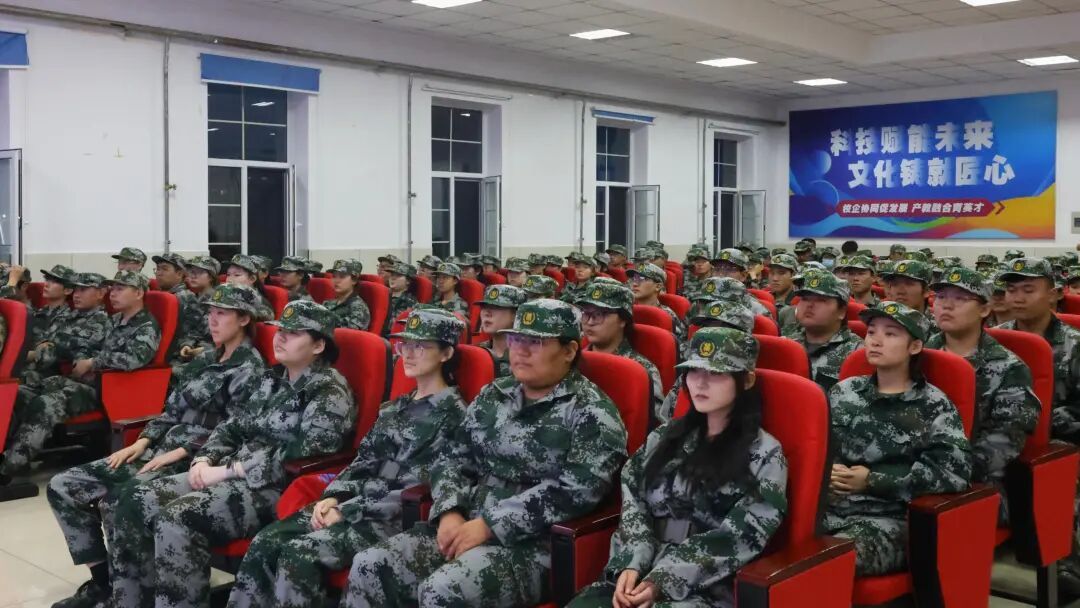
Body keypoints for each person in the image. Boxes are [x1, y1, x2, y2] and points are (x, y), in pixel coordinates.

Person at [344, 299, 628, 607]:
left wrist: (491, 524)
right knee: (370, 564)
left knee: (442, 590)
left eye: (535, 342)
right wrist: (450, 510)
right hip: (466, 522)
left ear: (569, 351)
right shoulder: (495, 394)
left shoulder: (591, 411)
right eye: (516, 339)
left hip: (531, 545)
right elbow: (453, 458)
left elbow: (578, 491)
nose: (520, 351)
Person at [112, 301, 355, 608]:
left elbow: (305, 453)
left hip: (273, 486)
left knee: (177, 517)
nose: (280, 337)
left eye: (293, 333)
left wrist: (230, 470)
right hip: (230, 471)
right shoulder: (273, 378)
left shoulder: (329, 391)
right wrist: (205, 458)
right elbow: (234, 425)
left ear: (318, 345)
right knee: (135, 498)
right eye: (280, 330)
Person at [227, 307, 467, 608]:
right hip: (354, 503)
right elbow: (363, 460)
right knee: (266, 542)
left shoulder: (455, 417)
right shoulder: (397, 407)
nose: (408, 353)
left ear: (446, 353)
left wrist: (348, 509)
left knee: (298, 554)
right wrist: (334, 496)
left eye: (420, 346)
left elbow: (418, 486)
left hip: (387, 518)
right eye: (405, 344)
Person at [46, 284, 267, 608]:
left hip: (194, 460)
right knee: (63, 486)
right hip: (158, 449)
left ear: (244, 319)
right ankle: (104, 581)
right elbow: (171, 410)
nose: (212, 320)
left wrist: (183, 451)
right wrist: (143, 441)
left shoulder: (250, 368)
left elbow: (234, 431)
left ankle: (131, 594)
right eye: (210, 312)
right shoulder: (206, 358)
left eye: (222, 313)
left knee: (121, 501)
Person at [568, 327, 787, 607]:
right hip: (640, 569)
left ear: (746, 380)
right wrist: (631, 562)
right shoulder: (665, 437)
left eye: (716, 373)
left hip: (705, 588)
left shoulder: (765, 454)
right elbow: (634, 499)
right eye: (694, 371)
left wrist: (663, 579)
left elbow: (739, 537)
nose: (700, 383)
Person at [824, 301, 972, 576]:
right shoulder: (844, 391)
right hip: (829, 510)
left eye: (890, 334)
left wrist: (872, 481)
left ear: (914, 347)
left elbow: (953, 474)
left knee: (822, 566)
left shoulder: (933, 405)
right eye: (871, 332)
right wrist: (827, 475)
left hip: (887, 520)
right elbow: (817, 450)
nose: (876, 341)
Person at [0, 271, 160, 486]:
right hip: (83, 381)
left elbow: (133, 359)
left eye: (120, 289)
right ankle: (7, 450)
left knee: (47, 403)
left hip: (108, 391)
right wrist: (80, 358)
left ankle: (8, 467)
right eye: (112, 288)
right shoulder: (114, 320)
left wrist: (93, 362)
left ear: (139, 293)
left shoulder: (146, 327)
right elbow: (88, 346)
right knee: (20, 393)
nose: (113, 294)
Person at [925, 267, 1039, 522]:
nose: (946, 306)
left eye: (960, 299)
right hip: (912, 471)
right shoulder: (918, 354)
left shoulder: (1010, 369)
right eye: (941, 297)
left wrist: (933, 472)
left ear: (985, 309)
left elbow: (1004, 443)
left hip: (977, 484)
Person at [576, 282, 664, 423]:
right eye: (586, 313)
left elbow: (653, 426)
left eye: (599, 314)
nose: (590, 322)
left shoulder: (641, 370)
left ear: (623, 319)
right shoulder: (571, 361)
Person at [784, 272, 861, 393]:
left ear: (842, 312)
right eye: (805, 298)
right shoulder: (785, 343)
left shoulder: (856, 353)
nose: (809, 305)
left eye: (821, 300)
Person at [153, 253, 204, 369]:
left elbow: (196, 330)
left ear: (179, 274)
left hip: (176, 356)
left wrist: (187, 345)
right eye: (157, 269)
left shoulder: (184, 297)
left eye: (164, 269)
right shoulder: (161, 296)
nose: (159, 273)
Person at [475, 284, 527, 378]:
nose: (487, 313)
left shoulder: (526, 358)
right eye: (484, 306)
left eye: (496, 307)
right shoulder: (477, 352)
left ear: (516, 315)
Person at [629, 262, 687, 345]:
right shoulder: (625, 310)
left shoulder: (666, 316)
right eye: (634, 279)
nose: (635, 284)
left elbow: (677, 347)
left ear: (658, 286)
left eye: (642, 279)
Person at [880, 259, 938, 338]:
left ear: (926, 291)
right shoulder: (880, 324)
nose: (900, 291)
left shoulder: (940, 329)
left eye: (909, 284)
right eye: (895, 284)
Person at [325, 258, 372, 331]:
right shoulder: (328, 303)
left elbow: (348, 335)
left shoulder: (359, 308)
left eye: (342, 276)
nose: (336, 280)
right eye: (334, 276)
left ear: (354, 280)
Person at [225, 255, 275, 322]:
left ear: (252, 279)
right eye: (228, 275)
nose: (229, 280)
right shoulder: (226, 294)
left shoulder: (261, 305)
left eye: (237, 275)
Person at [385, 260, 420, 334]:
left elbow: (401, 327)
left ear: (408, 281)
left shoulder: (410, 302)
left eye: (398, 275)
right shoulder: (383, 295)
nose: (393, 278)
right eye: (392, 274)